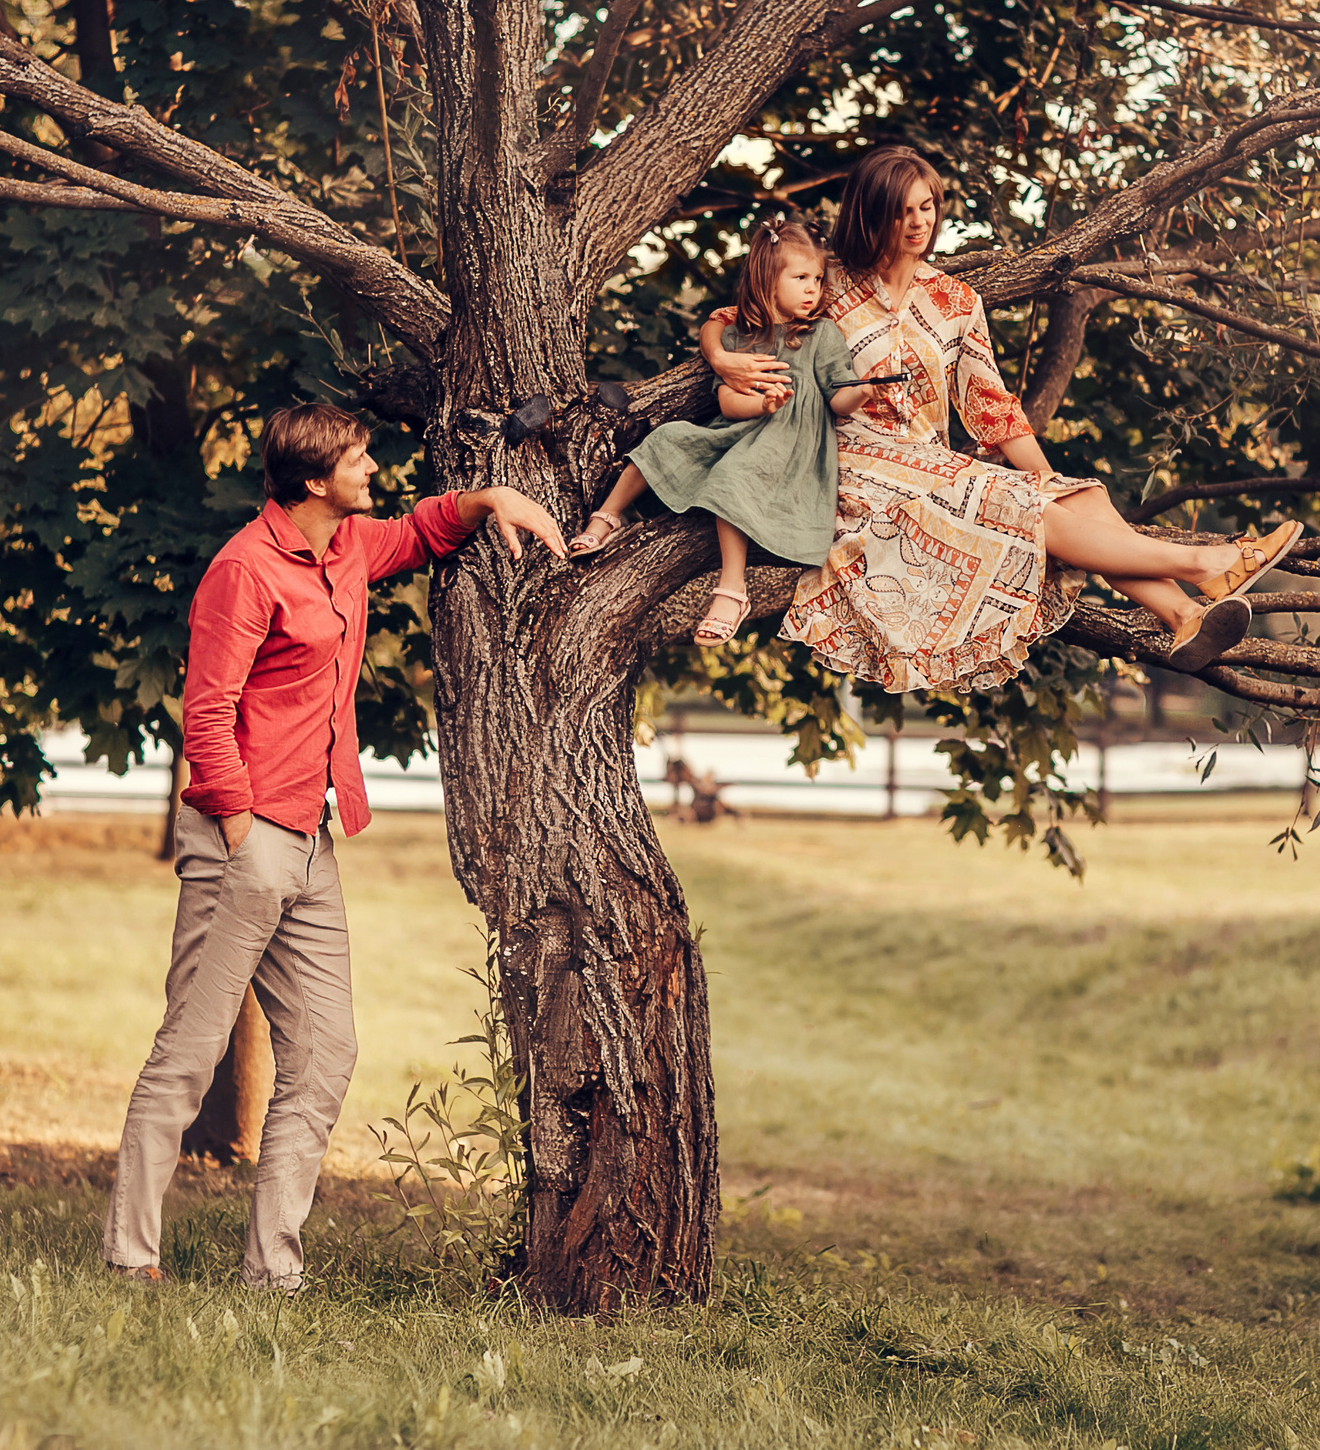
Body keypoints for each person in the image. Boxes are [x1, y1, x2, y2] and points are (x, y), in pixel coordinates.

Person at [101, 402, 563, 1290]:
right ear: (314, 479)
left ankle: (272, 1269)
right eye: (356, 456)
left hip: (311, 840)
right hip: (243, 840)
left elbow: (419, 533)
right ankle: (130, 1257)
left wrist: (489, 500)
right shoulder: (244, 569)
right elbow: (206, 713)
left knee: (323, 1054)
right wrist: (243, 832)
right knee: (191, 1051)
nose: (371, 464)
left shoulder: (347, 545)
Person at [719, 146, 1300, 691]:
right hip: (845, 466)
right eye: (902, 211)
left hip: (927, 465)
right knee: (1020, 503)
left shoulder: (955, 301)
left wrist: (1046, 480)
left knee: (1077, 497)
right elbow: (735, 315)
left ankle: (1183, 616)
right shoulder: (827, 283)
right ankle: (1208, 562)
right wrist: (722, 358)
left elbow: (991, 406)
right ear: (872, 215)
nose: (919, 223)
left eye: (927, 207)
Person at [566, 219, 901, 642]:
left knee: (735, 474)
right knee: (666, 440)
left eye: (817, 279)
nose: (813, 289)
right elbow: (726, 402)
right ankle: (608, 515)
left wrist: (862, 391)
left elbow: (837, 398)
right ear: (767, 279)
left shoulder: (821, 334)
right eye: (800, 278)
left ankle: (732, 589)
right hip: (739, 430)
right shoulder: (736, 336)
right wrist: (763, 404)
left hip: (788, 446)